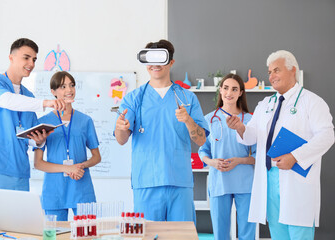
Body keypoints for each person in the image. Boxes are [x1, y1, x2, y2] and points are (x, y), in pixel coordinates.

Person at [226, 50, 334, 240]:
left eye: (276, 70)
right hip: (268, 180)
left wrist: (295, 157)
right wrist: (240, 128)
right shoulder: (266, 103)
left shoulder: (312, 102)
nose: (271, 76)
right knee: (278, 234)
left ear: (293, 70)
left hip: (295, 180)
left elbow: (327, 136)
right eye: (269, 72)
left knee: (298, 232)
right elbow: (251, 136)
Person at [114, 39, 209, 222]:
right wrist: (120, 127)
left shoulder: (187, 97)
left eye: (161, 59)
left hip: (179, 182)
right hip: (146, 182)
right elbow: (121, 139)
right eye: (151, 60)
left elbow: (202, 140)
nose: (155, 65)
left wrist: (188, 121)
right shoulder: (134, 98)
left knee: (181, 237)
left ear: (171, 62)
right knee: (147, 235)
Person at [0, 38, 70, 200]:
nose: (31, 63)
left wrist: (39, 140)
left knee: (16, 225)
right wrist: (46, 103)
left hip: (20, 172)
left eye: (34, 59)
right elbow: (6, 100)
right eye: (26, 57)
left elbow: (30, 136)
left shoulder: (29, 96)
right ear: (11, 58)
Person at [34, 71, 101, 221]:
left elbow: (97, 157)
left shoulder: (85, 121)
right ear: (53, 92)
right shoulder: (43, 123)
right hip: (54, 189)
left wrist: (79, 167)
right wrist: (68, 168)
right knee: (56, 236)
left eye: (72, 85)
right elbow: (38, 163)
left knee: (87, 234)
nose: (69, 90)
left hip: (81, 186)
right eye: (63, 86)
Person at [198, 73, 256, 240]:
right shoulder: (209, 119)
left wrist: (239, 161)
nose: (229, 92)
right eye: (225, 88)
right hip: (219, 181)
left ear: (241, 93)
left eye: (234, 89)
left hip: (245, 182)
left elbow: (259, 155)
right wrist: (212, 162)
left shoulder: (251, 120)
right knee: (220, 234)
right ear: (220, 91)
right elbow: (203, 151)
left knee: (247, 233)